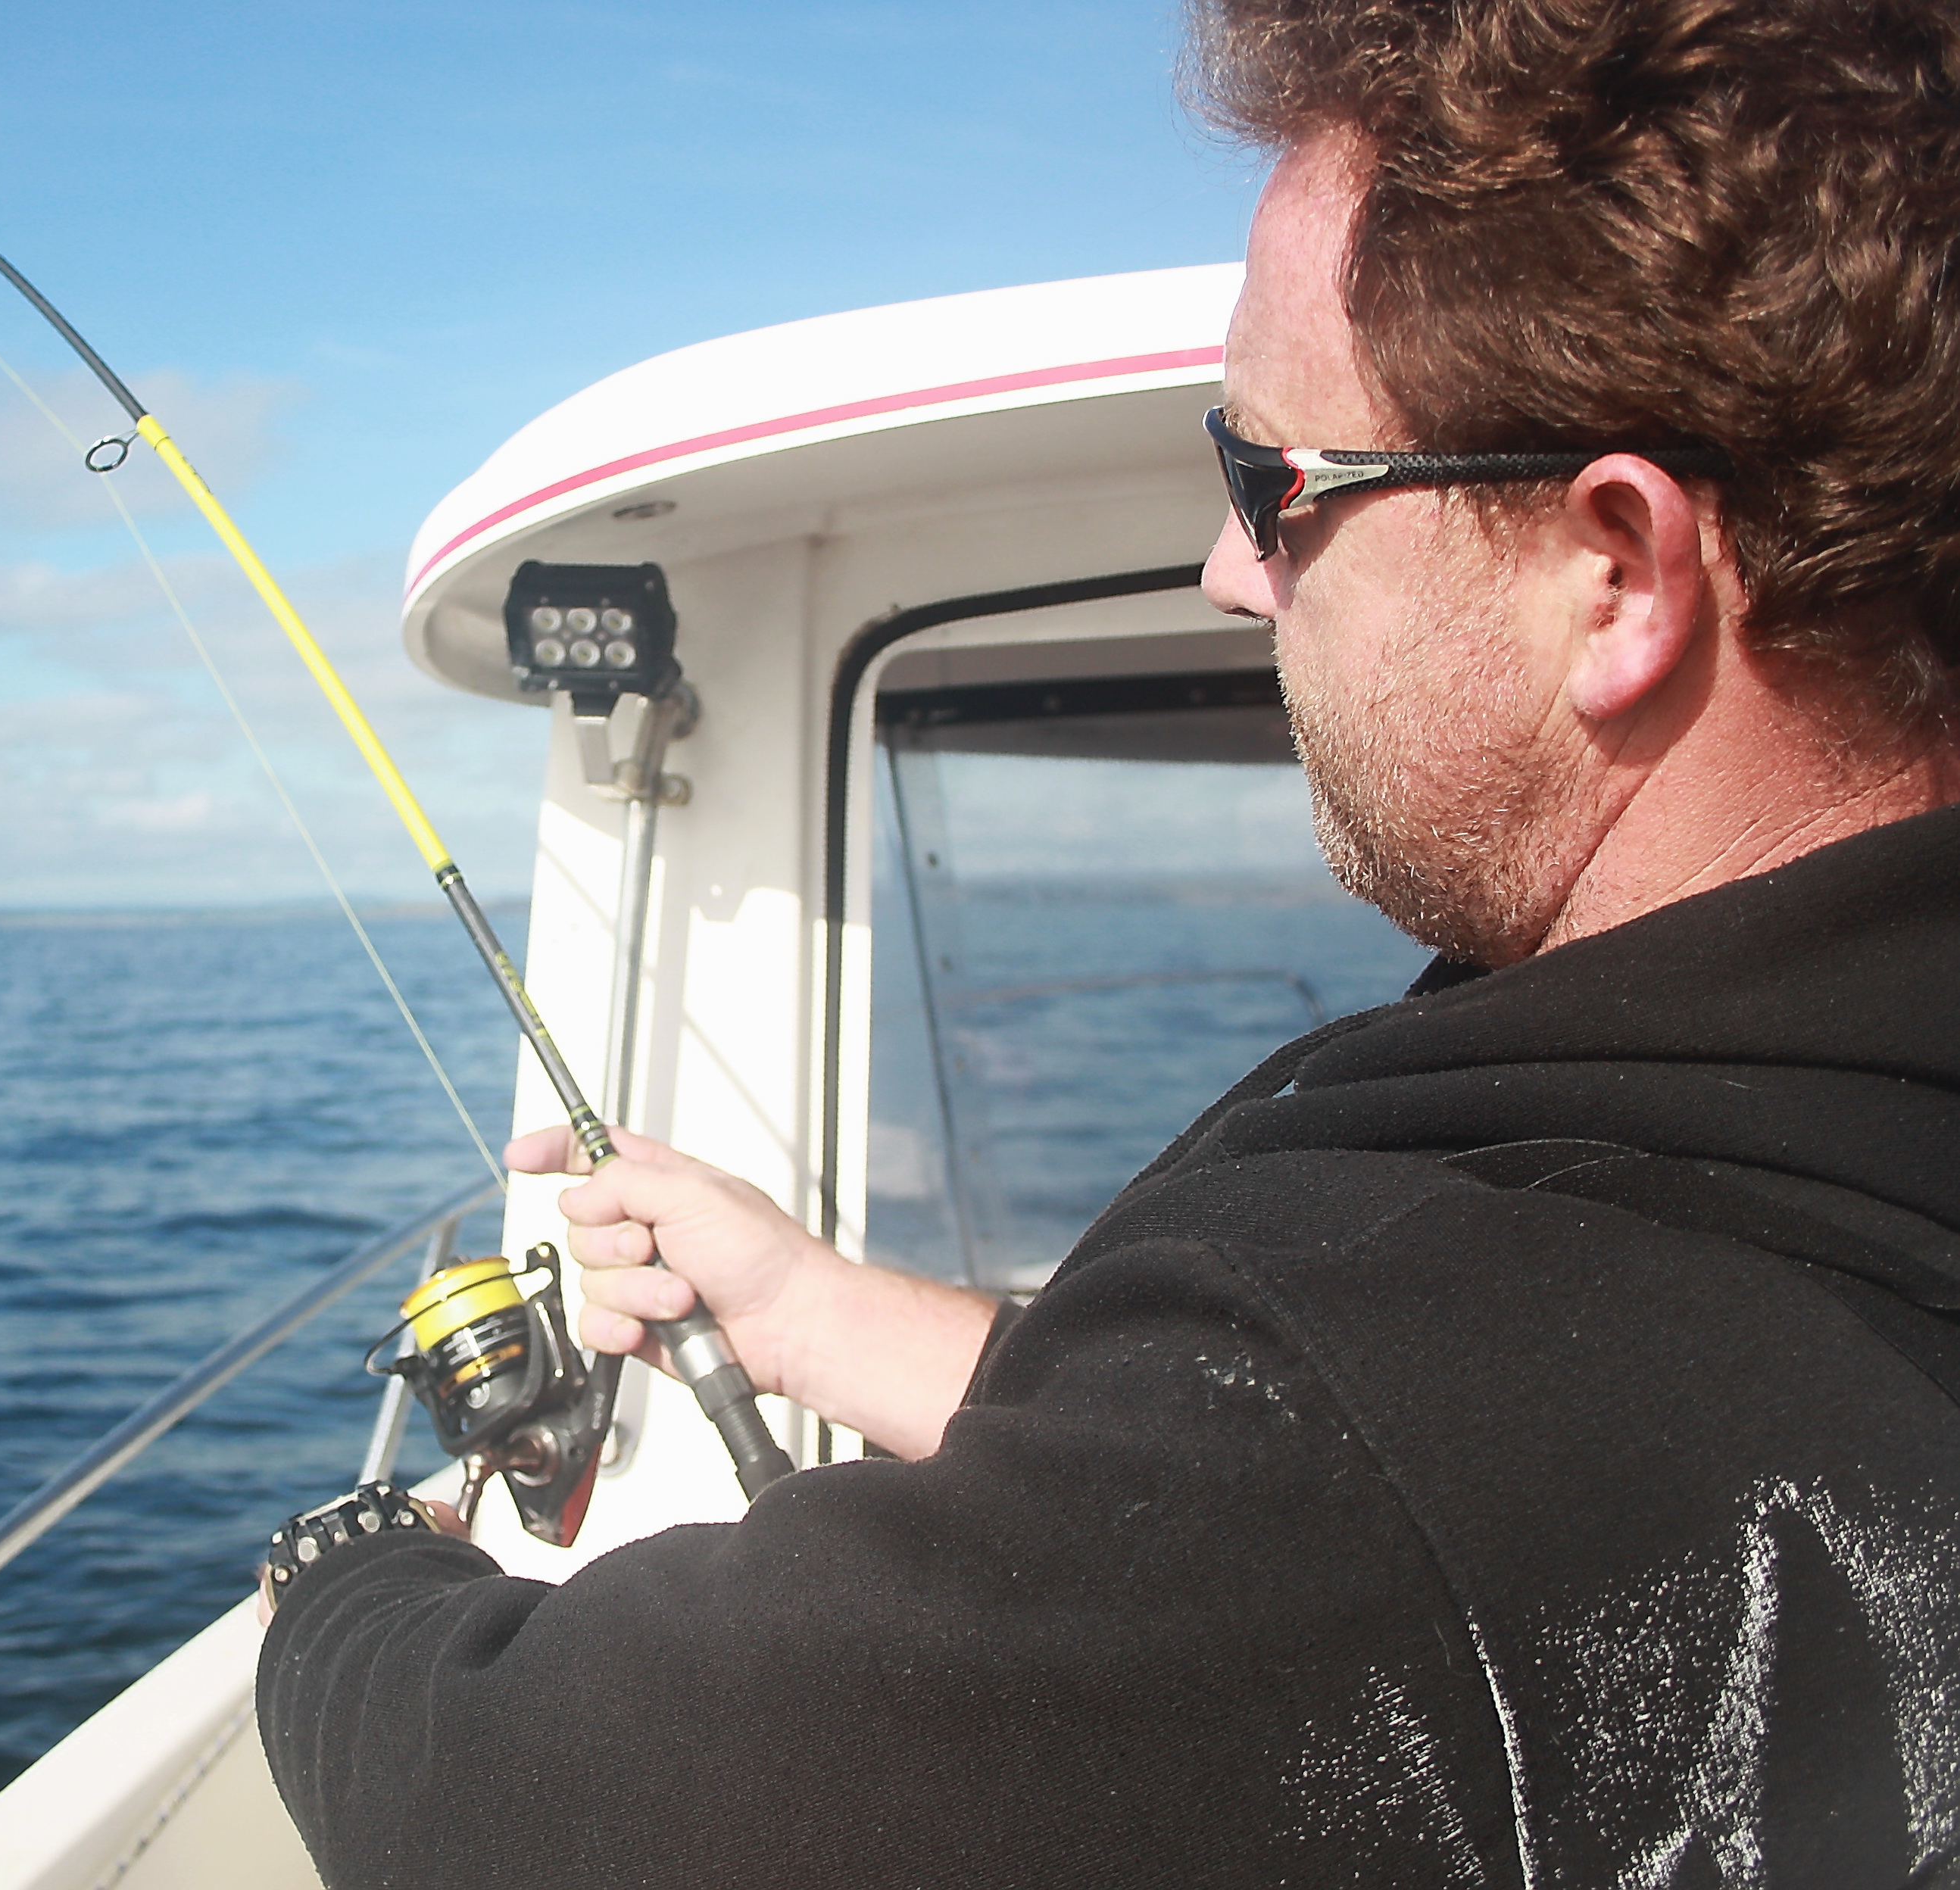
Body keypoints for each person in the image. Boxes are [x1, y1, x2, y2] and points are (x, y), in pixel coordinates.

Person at [256, 0, 1960, 1882]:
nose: (1233, 571)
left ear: (1614, 570)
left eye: (1270, 483)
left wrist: (348, 1592)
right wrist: (810, 1310)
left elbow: (510, 1811)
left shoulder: (1403, 1404)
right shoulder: (1798, 1147)